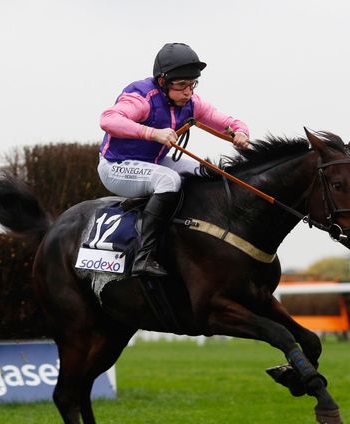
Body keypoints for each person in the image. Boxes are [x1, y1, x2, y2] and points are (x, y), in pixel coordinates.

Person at [98, 42, 250, 277]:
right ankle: (143, 257)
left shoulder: (191, 103)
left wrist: (239, 132)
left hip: (153, 164)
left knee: (209, 172)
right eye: (181, 86)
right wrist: (152, 133)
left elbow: (224, 120)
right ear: (162, 82)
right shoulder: (141, 98)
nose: (188, 92)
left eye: (192, 85)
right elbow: (108, 120)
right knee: (168, 181)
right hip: (116, 166)